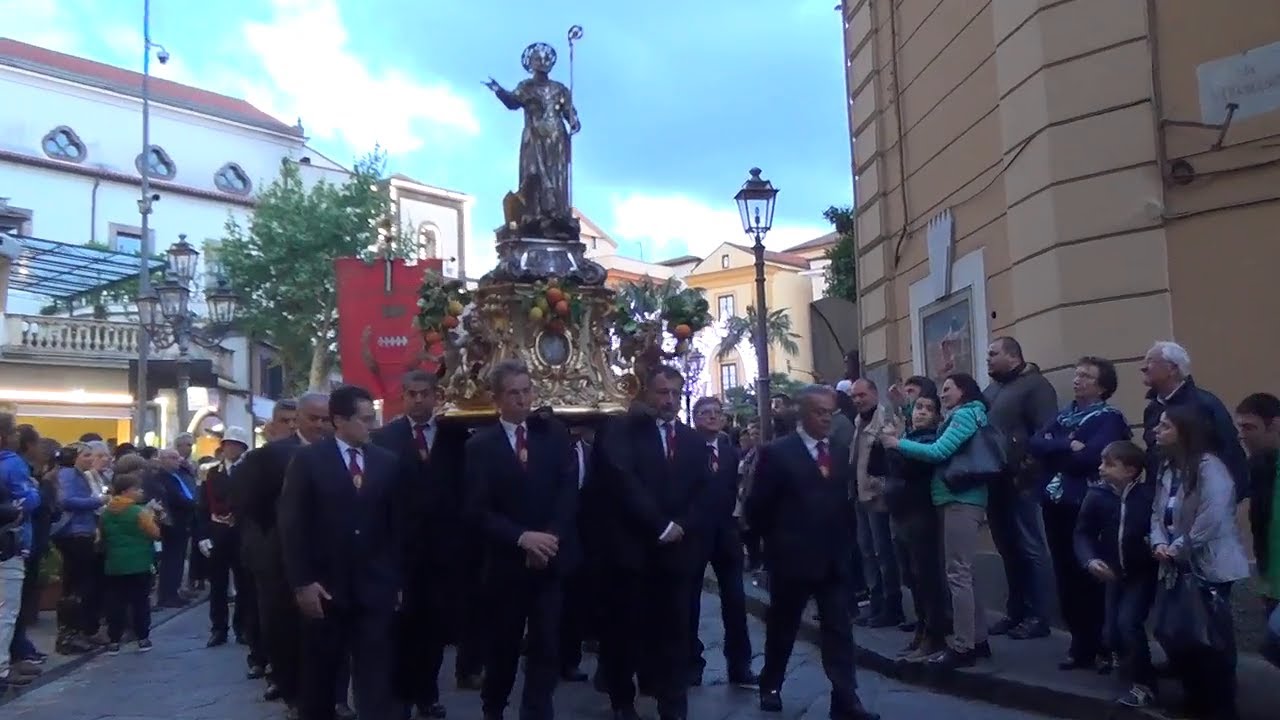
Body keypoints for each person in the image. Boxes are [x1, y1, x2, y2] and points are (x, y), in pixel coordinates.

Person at [746, 385, 877, 720]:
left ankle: (845, 699)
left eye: (830, 412)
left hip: (832, 558)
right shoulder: (777, 453)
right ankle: (771, 684)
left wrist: (847, 545)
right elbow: (757, 506)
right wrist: (769, 548)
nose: (827, 419)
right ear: (803, 414)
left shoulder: (838, 450)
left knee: (839, 630)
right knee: (783, 626)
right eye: (820, 412)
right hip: (791, 559)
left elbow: (844, 501)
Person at [596, 365, 715, 720]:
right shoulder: (622, 432)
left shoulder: (693, 441)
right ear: (647, 392)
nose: (670, 400)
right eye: (663, 392)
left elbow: (704, 492)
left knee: (675, 633)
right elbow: (623, 483)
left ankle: (673, 705)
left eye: (676, 393)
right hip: (632, 551)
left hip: (676, 553)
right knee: (625, 630)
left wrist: (682, 525)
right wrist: (659, 525)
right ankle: (622, 699)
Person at [465, 360, 579, 720]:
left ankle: (537, 711)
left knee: (546, 645)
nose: (522, 399)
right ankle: (494, 708)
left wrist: (549, 539)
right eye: (513, 393)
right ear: (497, 399)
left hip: (550, 559)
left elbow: (567, 491)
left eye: (527, 391)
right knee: (503, 647)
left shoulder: (554, 435)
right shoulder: (480, 446)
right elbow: (476, 510)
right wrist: (521, 538)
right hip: (506, 564)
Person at [279, 385, 402, 720]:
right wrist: (302, 582)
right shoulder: (308, 461)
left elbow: (397, 526)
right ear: (339, 421)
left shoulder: (387, 462)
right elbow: (292, 525)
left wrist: (395, 580)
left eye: (373, 417)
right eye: (365, 419)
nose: (372, 425)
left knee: (375, 675)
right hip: (325, 589)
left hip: (374, 587)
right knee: (321, 676)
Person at [370, 370, 469, 719]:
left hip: (443, 551)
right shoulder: (384, 438)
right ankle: (401, 695)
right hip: (400, 550)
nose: (417, 399)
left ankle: (428, 693)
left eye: (424, 393)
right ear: (403, 396)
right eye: (411, 393)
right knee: (402, 626)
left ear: (435, 395)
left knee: (434, 627)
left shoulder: (455, 435)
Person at [882, 373, 994, 668]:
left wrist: (897, 444)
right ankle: (978, 639)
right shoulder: (962, 415)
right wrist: (904, 410)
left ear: (963, 391)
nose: (943, 394)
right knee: (963, 573)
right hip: (953, 498)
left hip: (961, 498)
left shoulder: (965, 415)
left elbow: (938, 450)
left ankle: (963, 646)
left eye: (947, 389)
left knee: (957, 573)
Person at [1027, 356, 1131, 672]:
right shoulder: (1064, 416)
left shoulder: (1109, 418)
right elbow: (1035, 444)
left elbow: (1090, 458)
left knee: (1091, 574)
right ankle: (1079, 644)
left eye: (1086, 376)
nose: (1077, 380)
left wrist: (1057, 450)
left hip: (1087, 504)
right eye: (1077, 374)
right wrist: (1066, 445)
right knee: (1065, 574)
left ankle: (1103, 645)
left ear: (1102, 386)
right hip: (1055, 503)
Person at [1150, 405, 1250, 720]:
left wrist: (1179, 545)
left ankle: (1220, 706)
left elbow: (1213, 516)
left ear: (1184, 432)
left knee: (1212, 641)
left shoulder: (1210, 468)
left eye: (1165, 426)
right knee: (1181, 636)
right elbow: (1158, 512)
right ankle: (1194, 699)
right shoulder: (1168, 468)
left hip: (1210, 567)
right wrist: (1159, 541)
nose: (1156, 431)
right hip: (1176, 566)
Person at [235, 394, 329, 719]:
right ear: (298, 419)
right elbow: (252, 505)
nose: (320, 425)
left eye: (325, 419)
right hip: (280, 556)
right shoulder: (271, 455)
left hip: (330, 556)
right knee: (285, 628)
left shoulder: (339, 451)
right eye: (313, 418)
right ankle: (293, 693)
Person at [1073, 440, 1158, 708]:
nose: (1101, 468)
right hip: (1113, 572)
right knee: (1111, 632)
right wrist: (1090, 560)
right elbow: (1083, 532)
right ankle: (1128, 669)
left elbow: (1158, 528)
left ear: (1131, 470)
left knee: (1128, 623)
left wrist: (1153, 545)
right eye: (1102, 462)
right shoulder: (1097, 495)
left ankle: (1144, 684)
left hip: (1141, 572)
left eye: (1109, 464)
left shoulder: (1147, 496)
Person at [686, 396, 756, 688]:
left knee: (736, 602)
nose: (712, 417)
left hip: (726, 535)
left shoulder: (730, 453)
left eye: (717, 412)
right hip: (694, 536)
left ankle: (740, 665)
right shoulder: (686, 451)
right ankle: (691, 663)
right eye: (706, 413)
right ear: (695, 419)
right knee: (689, 603)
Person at [883, 391, 949, 660]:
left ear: (937, 416)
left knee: (926, 576)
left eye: (928, 409)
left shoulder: (929, 441)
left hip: (921, 513)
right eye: (918, 407)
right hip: (901, 513)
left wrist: (894, 444)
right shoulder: (907, 439)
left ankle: (934, 634)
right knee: (910, 575)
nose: (920, 412)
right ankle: (921, 629)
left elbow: (907, 468)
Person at [195, 427, 253, 648]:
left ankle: (242, 627)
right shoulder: (212, 473)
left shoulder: (249, 471)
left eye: (236, 445)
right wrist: (202, 535)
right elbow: (203, 506)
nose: (231, 449)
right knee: (217, 585)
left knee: (244, 584)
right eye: (228, 444)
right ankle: (218, 628)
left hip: (242, 533)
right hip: (217, 533)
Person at [0, 412, 42, 689]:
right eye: (14, 431)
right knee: (6, 610)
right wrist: (33, 492)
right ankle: (2, 668)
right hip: (9, 543)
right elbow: (28, 500)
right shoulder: (12, 464)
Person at [100, 472, 162, 655]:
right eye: (137, 489)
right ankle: (143, 638)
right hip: (139, 562)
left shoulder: (106, 512)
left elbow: (102, 535)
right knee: (140, 602)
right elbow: (155, 533)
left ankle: (114, 640)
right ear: (126, 491)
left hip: (114, 563)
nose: (140, 492)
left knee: (115, 602)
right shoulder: (139, 512)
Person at [52, 442, 105, 654]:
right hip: (74, 532)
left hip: (83, 530)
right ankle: (69, 634)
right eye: (86, 455)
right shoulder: (67, 474)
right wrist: (97, 501)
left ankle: (80, 631)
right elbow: (66, 500)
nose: (90, 459)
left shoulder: (80, 475)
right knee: (76, 584)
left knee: (83, 583)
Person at [1235, 393, 1279, 616]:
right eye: (1240, 428)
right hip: (1269, 577)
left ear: (1275, 425)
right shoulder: (1257, 465)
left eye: (1249, 427)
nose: (1242, 435)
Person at [145, 448, 198, 608]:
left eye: (177, 457)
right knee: (172, 560)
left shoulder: (176, 476)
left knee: (178, 559)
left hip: (182, 522)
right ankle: (168, 594)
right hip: (173, 523)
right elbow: (176, 498)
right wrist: (194, 504)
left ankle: (174, 591)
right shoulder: (161, 478)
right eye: (173, 458)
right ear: (163, 460)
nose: (178, 461)